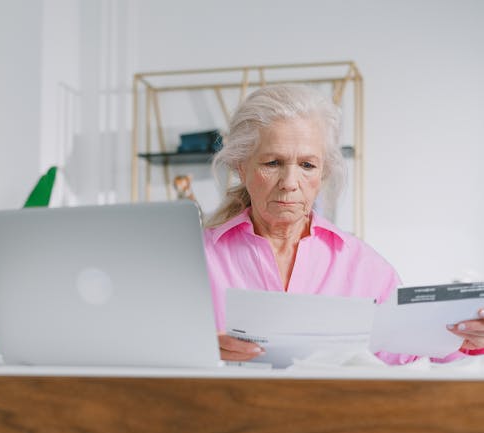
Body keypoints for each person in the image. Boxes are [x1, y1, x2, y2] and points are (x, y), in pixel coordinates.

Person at [203, 84, 475, 364]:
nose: (289, 183)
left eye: (307, 165)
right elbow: (159, 347)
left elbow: (413, 356)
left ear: (323, 173)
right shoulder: (196, 259)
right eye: (272, 163)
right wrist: (198, 351)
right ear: (241, 167)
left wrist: (468, 339)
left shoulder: (364, 265)